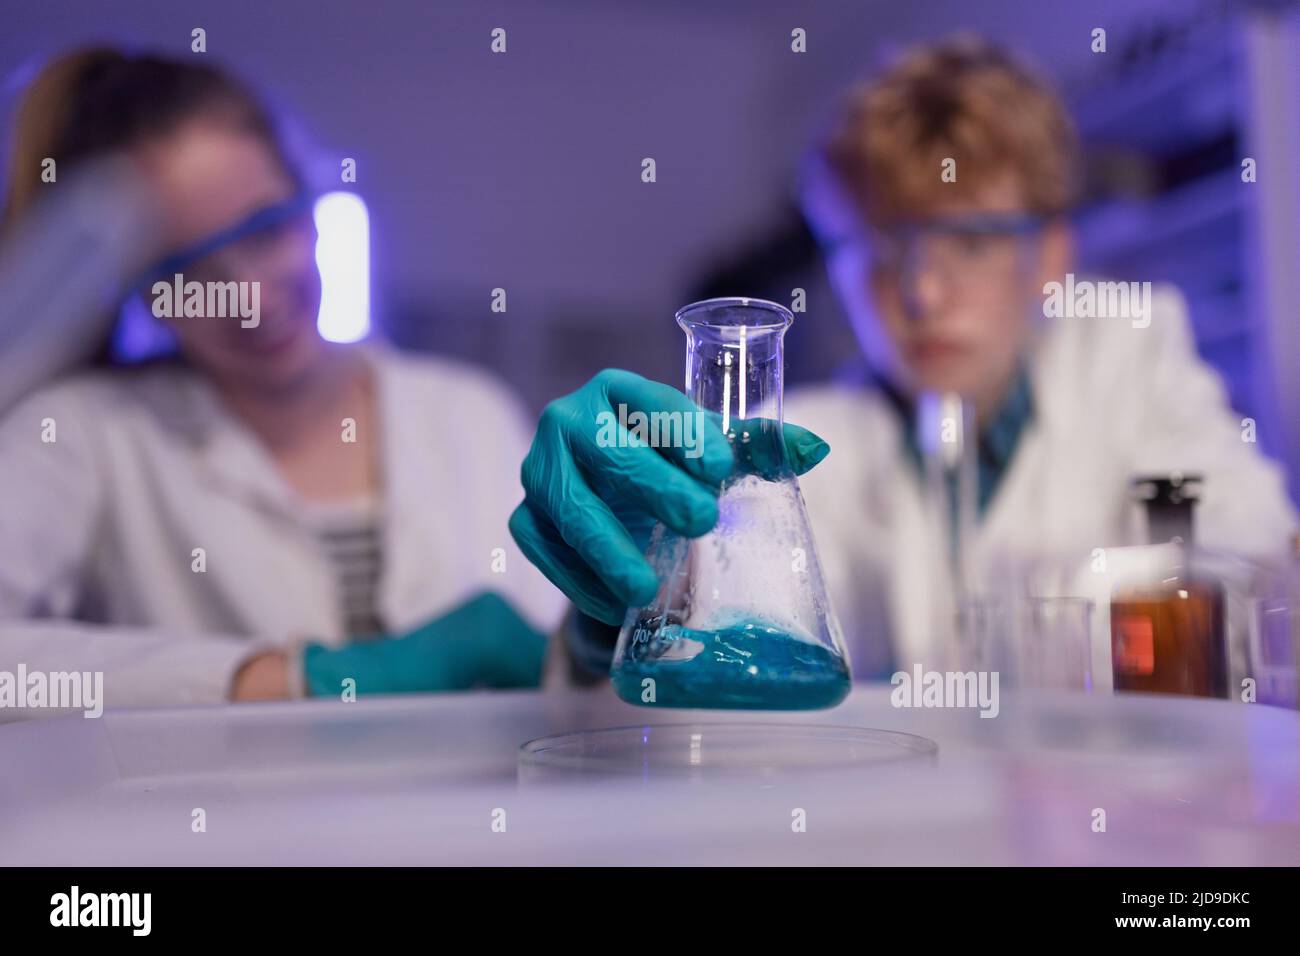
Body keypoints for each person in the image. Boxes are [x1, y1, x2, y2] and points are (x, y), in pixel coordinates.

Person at [511, 37, 1298, 682]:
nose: (921, 293)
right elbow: (687, 671)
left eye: (970, 241)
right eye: (881, 250)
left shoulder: (1129, 356)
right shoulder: (803, 445)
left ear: (1052, 254)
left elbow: (1257, 563)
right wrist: (617, 609)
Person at [0, 49, 564, 714]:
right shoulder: (83, 436)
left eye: (265, 230)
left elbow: (562, 672)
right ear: (138, 293)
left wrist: (590, 646)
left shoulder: (469, 412)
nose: (248, 299)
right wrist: (284, 678)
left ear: (309, 199)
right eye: (187, 271)